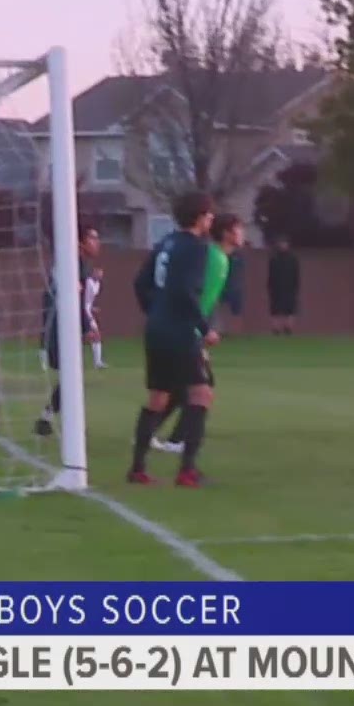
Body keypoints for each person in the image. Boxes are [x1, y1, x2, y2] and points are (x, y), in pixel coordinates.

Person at [128, 193, 218, 487]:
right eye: (209, 214)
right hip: (179, 330)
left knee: (159, 396)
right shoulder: (196, 248)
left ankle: (137, 468)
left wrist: (154, 311)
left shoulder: (165, 243)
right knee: (201, 393)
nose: (212, 219)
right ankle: (187, 470)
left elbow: (140, 283)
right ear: (200, 216)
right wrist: (205, 329)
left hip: (156, 328)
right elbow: (184, 292)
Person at [155, 214, 245, 456]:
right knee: (202, 385)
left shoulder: (221, 258)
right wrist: (199, 332)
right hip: (186, 329)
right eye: (239, 229)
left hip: (187, 327)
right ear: (227, 233)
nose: (242, 233)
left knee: (181, 386)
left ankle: (151, 432)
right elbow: (193, 295)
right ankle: (177, 441)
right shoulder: (214, 258)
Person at [35, 227, 100, 437]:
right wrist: (86, 326)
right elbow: (69, 299)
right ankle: (70, 425)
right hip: (57, 330)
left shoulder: (74, 264)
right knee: (72, 377)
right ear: (80, 242)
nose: (97, 243)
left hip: (58, 328)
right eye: (93, 238)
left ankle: (47, 419)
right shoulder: (72, 265)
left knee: (71, 377)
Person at [268, 237, 302, 336]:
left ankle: (288, 327)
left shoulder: (293, 259)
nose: (283, 245)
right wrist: (270, 287)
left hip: (290, 288)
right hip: (276, 288)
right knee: (275, 309)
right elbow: (271, 275)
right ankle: (275, 328)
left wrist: (296, 287)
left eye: (285, 243)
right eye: (281, 243)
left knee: (290, 309)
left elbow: (296, 274)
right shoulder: (274, 259)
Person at [86, 267, 107, 370]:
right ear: (93, 273)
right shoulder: (87, 282)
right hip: (84, 311)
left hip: (88, 310)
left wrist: (92, 308)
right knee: (94, 335)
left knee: (96, 335)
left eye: (101, 274)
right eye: (98, 273)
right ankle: (97, 362)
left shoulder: (97, 284)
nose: (100, 276)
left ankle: (97, 362)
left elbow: (90, 299)